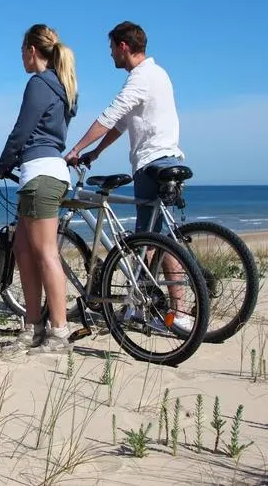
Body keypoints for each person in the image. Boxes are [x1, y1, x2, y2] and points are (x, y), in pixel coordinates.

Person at [64, 20, 193, 332]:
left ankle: (179, 312)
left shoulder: (140, 78)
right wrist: (96, 153)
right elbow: (122, 124)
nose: (110, 56)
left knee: (152, 239)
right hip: (166, 158)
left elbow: (108, 117)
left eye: (111, 49)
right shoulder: (158, 74)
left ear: (123, 46)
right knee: (156, 239)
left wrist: (77, 148)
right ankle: (154, 307)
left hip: (152, 164)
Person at [0, 23, 79, 354]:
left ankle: (59, 333)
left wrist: (0, 165)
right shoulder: (63, 85)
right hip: (40, 174)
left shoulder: (40, 84)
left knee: (45, 253)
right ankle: (33, 326)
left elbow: (21, 131)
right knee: (23, 250)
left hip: (41, 175)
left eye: (21, 51)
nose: (21, 58)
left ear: (32, 51)